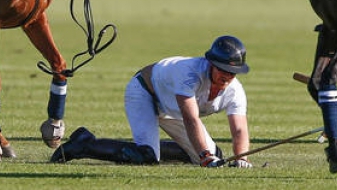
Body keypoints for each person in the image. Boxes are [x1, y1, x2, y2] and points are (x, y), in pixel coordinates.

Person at [50, 35, 253, 167]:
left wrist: (241, 158)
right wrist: (204, 155)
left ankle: (154, 146)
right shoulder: (189, 74)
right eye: (222, 69)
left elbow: (239, 130)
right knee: (147, 157)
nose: (227, 76)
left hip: (172, 108)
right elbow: (191, 119)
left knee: (214, 153)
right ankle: (84, 145)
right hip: (145, 92)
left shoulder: (235, 91)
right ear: (210, 63)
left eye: (233, 73)